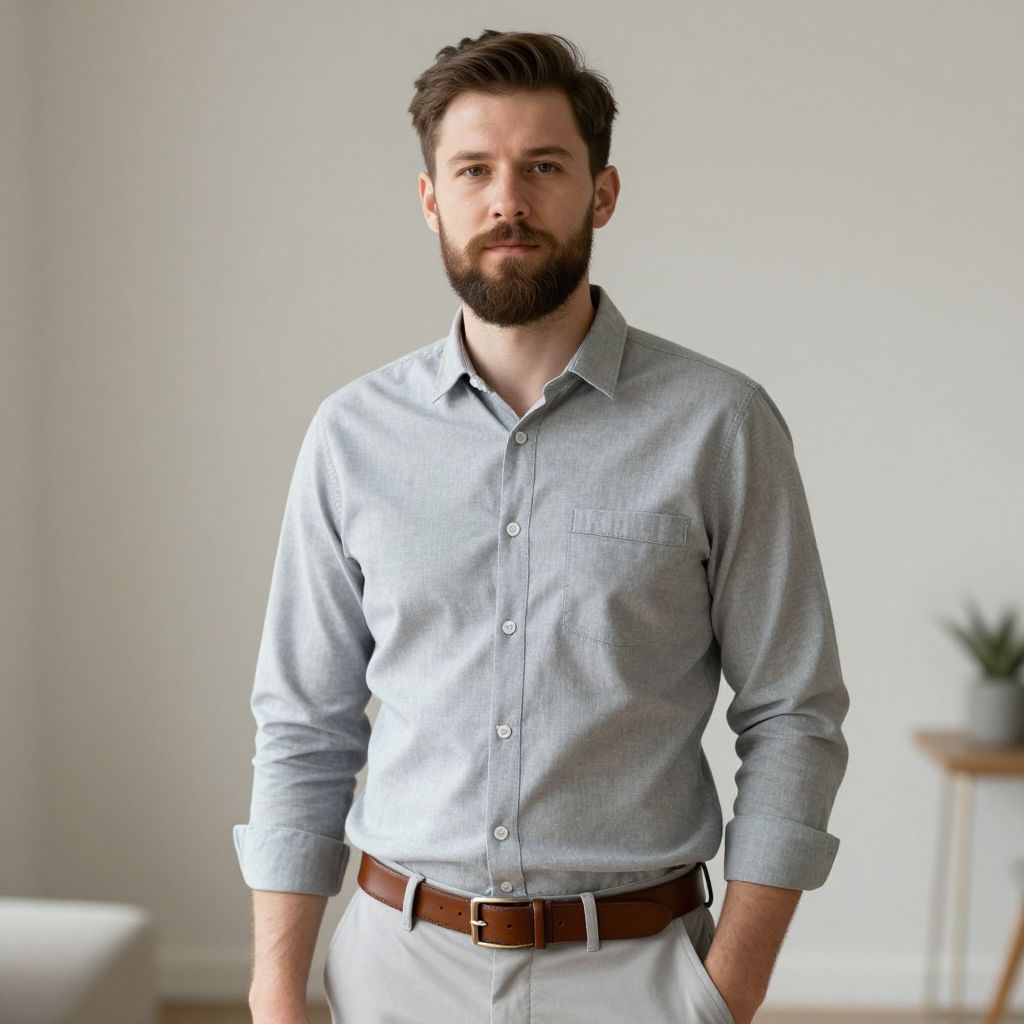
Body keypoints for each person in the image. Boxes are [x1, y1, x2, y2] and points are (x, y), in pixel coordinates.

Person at [232, 28, 850, 1024]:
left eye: (542, 167)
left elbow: (794, 713)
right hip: (394, 971)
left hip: (640, 976)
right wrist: (274, 993)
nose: (506, 201)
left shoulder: (719, 424)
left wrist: (723, 992)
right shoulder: (351, 435)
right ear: (431, 198)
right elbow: (304, 723)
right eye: (473, 169)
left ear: (601, 194)